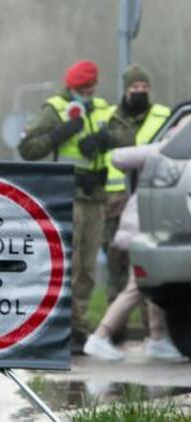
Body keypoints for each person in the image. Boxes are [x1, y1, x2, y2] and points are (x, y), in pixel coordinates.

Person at [18, 60, 112, 354]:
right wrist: (62, 133)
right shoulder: (55, 108)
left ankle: (78, 328)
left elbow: (127, 135)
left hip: (95, 197)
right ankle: (60, 327)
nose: (90, 92)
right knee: (65, 268)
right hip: (67, 198)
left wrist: (104, 138)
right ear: (72, 87)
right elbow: (28, 149)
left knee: (87, 270)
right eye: (84, 88)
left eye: (92, 87)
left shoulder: (101, 108)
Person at [84, 140, 184, 362]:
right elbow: (117, 156)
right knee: (137, 287)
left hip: (151, 226)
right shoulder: (164, 149)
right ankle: (101, 336)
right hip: (143, 227)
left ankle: (158, 338)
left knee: (154, 281)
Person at [102, 65, 170, 339]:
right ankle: (114, 333)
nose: (141, 92)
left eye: (144, 87)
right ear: (126, 89)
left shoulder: (162, 115)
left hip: (145, 200)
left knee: (144, 272)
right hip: (113, 200)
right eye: (135, 87)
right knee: (117, 268)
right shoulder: (108, 117)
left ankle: (148, 332)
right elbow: (106, 156)